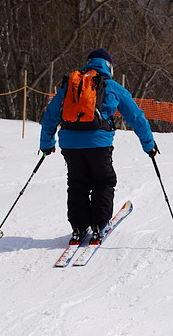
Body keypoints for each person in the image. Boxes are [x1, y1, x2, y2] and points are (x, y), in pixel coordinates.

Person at [39, 48, 158, 242]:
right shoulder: (111, 86)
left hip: (69, 144)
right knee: (103, 181)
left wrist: (46, 143)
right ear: (109, 66)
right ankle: (100, 224)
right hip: (98, 144)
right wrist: (149, 145)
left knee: (77, 183)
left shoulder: (71, 85)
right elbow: (136, 117)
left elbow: (50, 116)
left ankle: (78, 227)